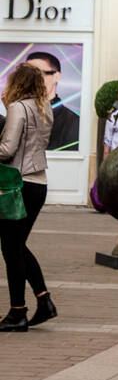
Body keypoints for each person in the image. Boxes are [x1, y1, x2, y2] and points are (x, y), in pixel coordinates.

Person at [0, 63, 56, 332]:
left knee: (11, 248)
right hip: (38, 183)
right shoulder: (45, 108)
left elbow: (7, 149)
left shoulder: (17, 108)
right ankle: (43, 302)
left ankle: (18, 312)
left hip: (17, 186)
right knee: (17, 246)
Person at [28, 51, 79, 152]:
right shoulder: (20, 113)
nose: (31, 80)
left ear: (57, 76)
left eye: (39, 74)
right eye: (26, 75)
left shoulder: (72, 122)